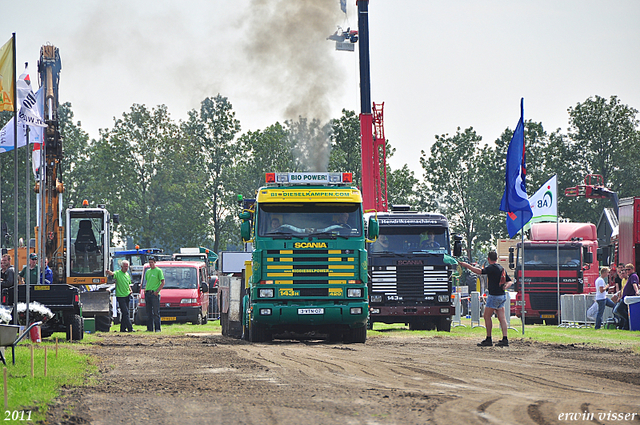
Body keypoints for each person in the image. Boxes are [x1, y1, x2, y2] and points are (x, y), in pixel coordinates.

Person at [459, 251, 512, 347]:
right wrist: (506, 286)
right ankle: (505, 339)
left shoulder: (491, 268)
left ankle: (489, 338)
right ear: (497, 258)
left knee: (486, 316)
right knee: (502, 318)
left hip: (494, 295)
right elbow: (509, 281)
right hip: (502, 295)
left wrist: (467, 266)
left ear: (488, 259)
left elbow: (479, 272)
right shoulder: (501, 268)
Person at [106, 260, 134, 332]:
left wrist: (130, 290)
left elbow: (128, 284)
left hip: (127, 295)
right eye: (125, 266)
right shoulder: (118, 273)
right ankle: (130, 328)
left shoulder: (127, 274)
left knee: (125, 313)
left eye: (127, 266)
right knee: (126, 312)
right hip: (120, 296)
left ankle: (122, 328)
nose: (126, 268)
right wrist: (109, 272)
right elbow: (113, 274)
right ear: (121, 267)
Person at [614, 263, 639, 330]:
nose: (627, 271)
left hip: (629, 298)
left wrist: (637, 292)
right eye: (626, 270)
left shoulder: (633, 276)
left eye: (629, 269)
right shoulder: (629, 277)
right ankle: (626, 325)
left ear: (632, 269)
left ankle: (628, 321)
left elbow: (634, 285)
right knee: (620, 310)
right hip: (625, 298)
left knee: (619, 309)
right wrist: (620, 296)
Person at [144, 256, 165, 332]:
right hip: (148, 293)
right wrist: (145, 290)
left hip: (154, 294)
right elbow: (147, 281)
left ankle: (157, 328)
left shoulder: (158, 271)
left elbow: (162, 282)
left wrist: (157, 291)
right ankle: (149, 328)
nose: (150, 264)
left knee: (156, 312)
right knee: (148, 312)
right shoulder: (148, 271)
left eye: (152, 262)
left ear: (155, 262)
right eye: (149, 262)